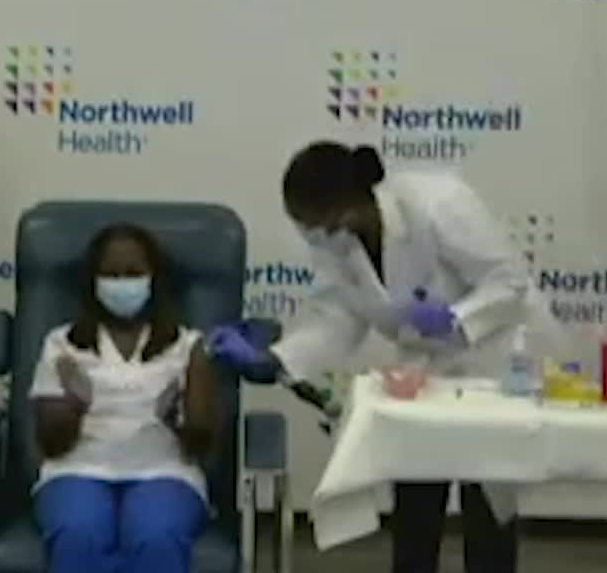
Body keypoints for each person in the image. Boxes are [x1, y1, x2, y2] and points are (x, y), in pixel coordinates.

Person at [210, 141, 555, 573]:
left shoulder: (436, 204)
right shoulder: (337, 243)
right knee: (415, 498)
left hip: (492, 354)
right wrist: (278, 359)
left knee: (488, 499)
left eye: (316, 223)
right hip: (426, 365)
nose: (312, 235)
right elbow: (337, 316)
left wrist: (458, 317)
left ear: (347, 205)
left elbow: (509, 280)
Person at [29, 223, 221, 573]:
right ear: (93, 281)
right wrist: (75, 405)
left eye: (133, 273)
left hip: (165, 472)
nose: (122, 283)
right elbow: (50, 443)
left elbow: (202, 443)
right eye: (111, 274)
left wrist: (176, 419)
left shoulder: (188, 346)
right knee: (79, 534)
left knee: (156, 536)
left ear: (153, 279)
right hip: (77, 469)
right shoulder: (62, 344)